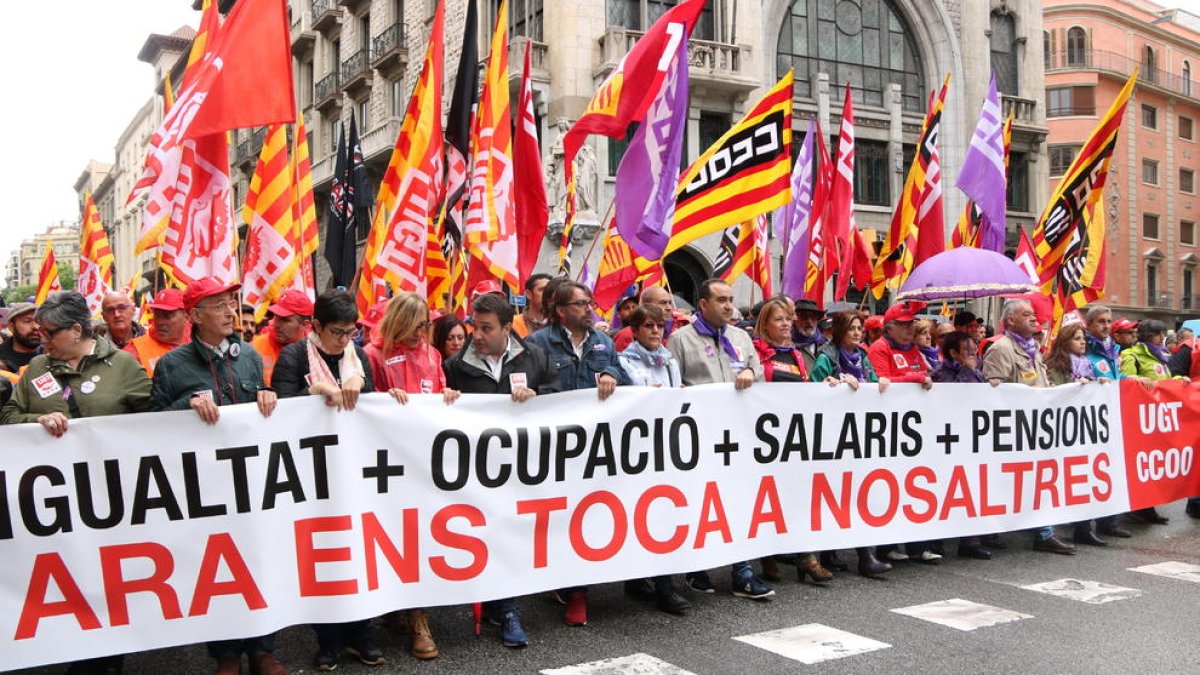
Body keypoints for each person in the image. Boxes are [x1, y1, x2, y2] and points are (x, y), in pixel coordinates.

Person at [0, 291, 152, 675]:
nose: (43, 340)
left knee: (107, 581)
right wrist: (34, 423)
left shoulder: (123, 366)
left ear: (76, 330)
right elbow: (7, 416)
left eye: (50, 333)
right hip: (54, 503)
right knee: (68, 578)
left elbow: (154, 424)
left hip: (110, 499)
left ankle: (108, 657)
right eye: (39, 332)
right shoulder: (37, 370)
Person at [148, 278, 283, 675]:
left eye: (231, 303)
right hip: (205, 485)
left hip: (253, 482)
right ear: (194, 316)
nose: (230, 311)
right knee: (216, 566)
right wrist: (184, 405)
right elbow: (150, 424)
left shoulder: (250, 359)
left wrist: (268, 394)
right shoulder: (172, 365)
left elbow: (265, 407)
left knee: (258, 559)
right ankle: (225, 651)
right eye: (219, 305)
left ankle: (262, 648)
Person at [268, 291, 385, 671]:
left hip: (353, 469)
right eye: (337, 332)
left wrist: (364, 390)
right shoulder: (294, 357)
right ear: (314, 327)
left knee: (358, 549)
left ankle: (360, 632)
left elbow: (372, 407)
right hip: (313, 473)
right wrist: (312, 391)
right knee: (323, 553)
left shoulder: (357, 357)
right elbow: (280, 413)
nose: (344, 339)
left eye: (352, 332)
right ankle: (329, 639)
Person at [444, 292, 561, 648]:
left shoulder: (536, 357)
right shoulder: (455, 366)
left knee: (514, 534)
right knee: (488, 535)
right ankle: (507, 608)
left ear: (507, 328)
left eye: (486, 328)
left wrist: (537, 398)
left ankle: (502, 603)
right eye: (473, 327)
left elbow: (560, 398)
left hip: (523, 468)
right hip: (479, 471)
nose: (476, 335)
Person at [527, 281, 629, 625]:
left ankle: (580, 584)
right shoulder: (537, 343)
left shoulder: (603, 341)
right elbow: (526, 386)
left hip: (595, 449)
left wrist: (610, 372)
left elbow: (625, 381)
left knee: (590, 515)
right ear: (560, 311)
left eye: (590, 303)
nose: (590, 309)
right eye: (582, 304)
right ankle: (574, 591)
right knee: (561, 518)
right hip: (555, 449)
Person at [363, 291, 457, 660]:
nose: (426, 330)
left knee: (421, 537)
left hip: (426, 461)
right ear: (401, 321)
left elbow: (436, 391)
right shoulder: (371, 356)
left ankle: (418, 617)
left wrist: (448, 395)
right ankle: (397, 607)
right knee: (392, 536)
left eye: (427, 324)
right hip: (388, 463)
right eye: (420, 324)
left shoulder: (432, 354)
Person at [667, 279, 775, 600]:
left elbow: (757, 371)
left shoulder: (741, 337)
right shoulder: (681, 340)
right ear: (703, 304)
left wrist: (749, 375)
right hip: (699, 437)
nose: (729, 306)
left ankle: (742, 572)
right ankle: (696, 566)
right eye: (721, 300)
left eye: (731, 299)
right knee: (701, 503)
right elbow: (673, 385)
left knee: (735, 501)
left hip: (736, 435)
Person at [750, 297, 836, 583]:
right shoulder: (757, 352)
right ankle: (767, 556)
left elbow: (805, 389)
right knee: (766, 499)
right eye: (779, 319)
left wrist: (825, 387)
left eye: (789, 318)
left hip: (794, 437)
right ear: (766, 324)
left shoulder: (797, 354)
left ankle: (806, 557)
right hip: (764, 438)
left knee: (799, 497)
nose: (787, 324)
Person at [983, 298, 1077, 556]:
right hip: (1013, 430)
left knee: (1040, 479)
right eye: (1027, 314)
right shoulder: (1001, 349)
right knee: (1005, 482)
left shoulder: (1034, 347)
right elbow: (995, 392)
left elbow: (1041, 384)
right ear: (1010, 320)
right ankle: (987, 529)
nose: (1034, 318)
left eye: (1033, 314)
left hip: (1038, 428)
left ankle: (1044, 533)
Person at [615, 303, 692, 614]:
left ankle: (664, 584)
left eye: (660, 326)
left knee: (663, 513)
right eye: (649, 326)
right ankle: (640, 579)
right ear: (635, 331)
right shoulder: (624, 360)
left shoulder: (670, 359)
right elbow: (634, 394)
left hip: (666, 443)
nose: (656, 331)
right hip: (639, 446)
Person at [809, 310, 895, 576]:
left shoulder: (864, 358)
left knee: (856, 494)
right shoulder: (826, 358)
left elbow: (869, 384)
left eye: (860, 328)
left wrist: (878, 381)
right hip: (833, 438)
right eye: (851, 329)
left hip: (859, 437)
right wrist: (835, 385)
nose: (858, 333)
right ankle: (830, 553)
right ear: (839, 332)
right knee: (834, 496)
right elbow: (813, 393)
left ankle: (862, 556)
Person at [930, 331, 996, 561]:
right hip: (947, 442)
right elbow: (951, 399)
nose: (973, 355)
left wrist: (993, 386)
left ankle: (971, 540)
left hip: (972, 441)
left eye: (974, 350)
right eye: (967, 351)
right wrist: (967, 370)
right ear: (953, 353)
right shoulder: (941, 374)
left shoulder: (977, 374)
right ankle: (935, 540)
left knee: (972, 490)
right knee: (944, 491)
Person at [1081, 304, 1140, 539]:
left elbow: (1117, 377)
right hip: (1090, 421)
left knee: (1112, 469)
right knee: (1088, 472)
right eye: (1101, 321)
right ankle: (1083, 525)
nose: (1106, 325)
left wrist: (1134, 380)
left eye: (1108, 321)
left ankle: (1110, 521)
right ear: (1090, 324)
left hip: (1112, 418)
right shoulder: (1084, 349)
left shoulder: (1113, 350)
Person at [250, 290, 314, 385]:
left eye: (285, 320)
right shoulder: (255, 347)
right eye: (276, 317)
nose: (276, 324)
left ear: (305, 325)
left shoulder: (317, 351)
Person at [124, 288, 190, 376]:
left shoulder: (200, 344)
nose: (159, 322)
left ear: (186, 316)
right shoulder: (135, 350)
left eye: (167, 316)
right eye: (157, 315)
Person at [867, 302, 934, 388]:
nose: (910, 327)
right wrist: (917, 379)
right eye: (904, 324)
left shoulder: (912, 347)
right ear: (889, 329)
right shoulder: (879, 348)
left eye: (911, 322)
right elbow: (883, 382)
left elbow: (924, 374)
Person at [613, 285, 676, 351]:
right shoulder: (627, 335)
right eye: (663, 303)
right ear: (646, 305)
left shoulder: (675, 330)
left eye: (670, 303)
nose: (669, 308)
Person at [0, 302, 40, 372]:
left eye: (38, 320)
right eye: (27, 321)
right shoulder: (2, 361)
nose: (36, 327)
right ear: (11, 327)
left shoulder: (55, 353)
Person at [791, 298, 826, 372]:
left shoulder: (827, 344)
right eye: (804, 317)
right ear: (794, 320)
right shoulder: (788, 346)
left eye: (813, 318)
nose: (809, 321)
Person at [512, 273, 551, 337]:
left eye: (550, 290)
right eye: (543, 290)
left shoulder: (560, 324)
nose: (548, 294)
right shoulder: (514, 324)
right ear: (529, 294)